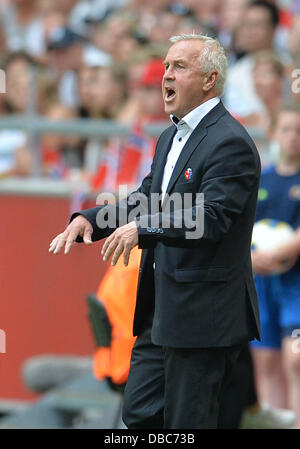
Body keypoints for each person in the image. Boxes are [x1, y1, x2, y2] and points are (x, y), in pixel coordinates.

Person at [49, 33, 261, 429]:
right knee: (139, 414)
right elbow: (147, 198)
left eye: (179, 67)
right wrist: (91, 220)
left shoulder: (230, 141)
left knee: (187, 423)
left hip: (203, 315)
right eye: (165, 66)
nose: (166, 75)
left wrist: (143, 230)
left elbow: (211, 215)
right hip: (161, 309)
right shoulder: (169, 137)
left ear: (209, 79)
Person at [251, 104, 300, 427]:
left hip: (296, 284)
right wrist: (251, 257)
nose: (293, 137)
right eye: (286, 129)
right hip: (260, 282)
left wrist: (288, 248)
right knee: (266, 360)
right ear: (273, 134)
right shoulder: (260, 179)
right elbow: (237, 228)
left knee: (295, 359)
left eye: (299, 131)